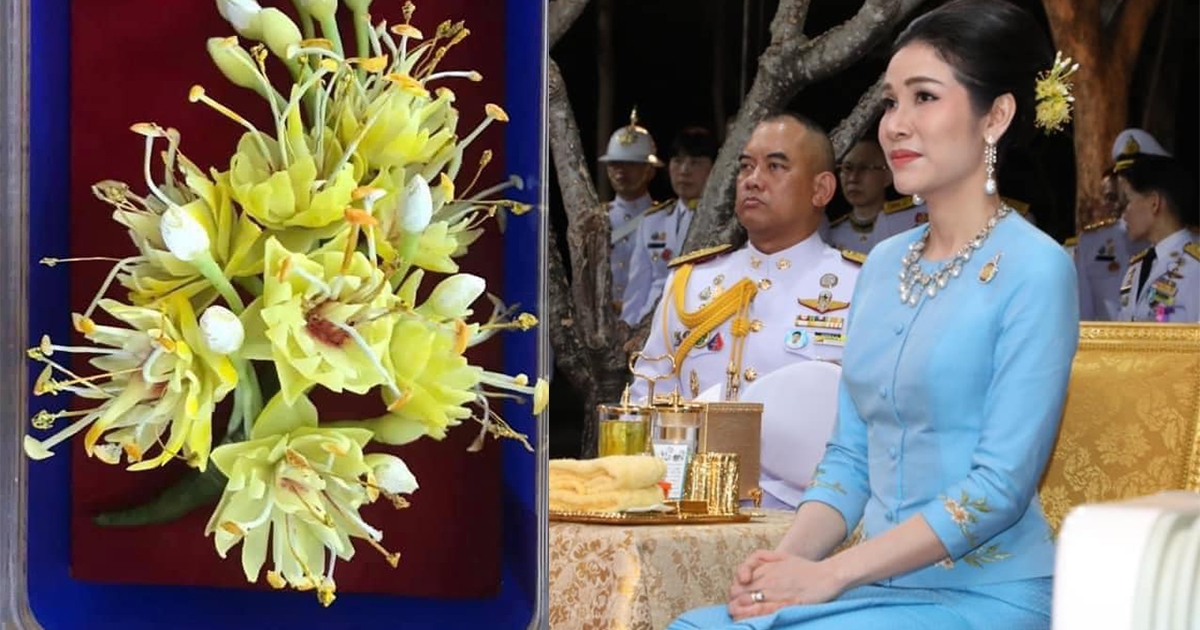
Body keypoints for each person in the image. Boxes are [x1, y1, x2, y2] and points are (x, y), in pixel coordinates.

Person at [668, 1, 1079, 628]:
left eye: (924, 97)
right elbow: (850, 457)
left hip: (988, 594)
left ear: (995, 116)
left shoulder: (1036, 268)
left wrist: (830, 575)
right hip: (878, 588)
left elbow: (998, 487)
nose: (895, 126)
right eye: (891, 102)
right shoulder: (884, 264)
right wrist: (784, 565)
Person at [627, 113, 863, 508]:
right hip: (691, 514)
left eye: (775, 166)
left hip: (810, 518)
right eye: (746, 166)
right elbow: (647, 398)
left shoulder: (860, 285)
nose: (753, 179)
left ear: (821, 189)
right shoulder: (691, 282)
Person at [620, 127, 717, 324]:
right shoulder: (652, 221)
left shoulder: (723, 221)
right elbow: (637, 289)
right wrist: (628, 329)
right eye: (678, 161)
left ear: (714, 169)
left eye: (695, 163)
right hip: (653, 322)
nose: (684, 171)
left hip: (704, 319)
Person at [1115, 155, 1199, 322]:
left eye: (1128, 201)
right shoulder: (1136, 268)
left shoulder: (1195, 268)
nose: (1123, 215)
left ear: (1154, 203)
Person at [598, 108, 663, 313]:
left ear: (650, 170)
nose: (621, 172)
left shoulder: (665, 218)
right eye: (615, 164)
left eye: (631, 165)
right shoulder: (597, 218)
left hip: (648, 318)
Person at [825, 138, 896, 254]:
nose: (853, 178)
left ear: (888, 176)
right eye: (847, 168)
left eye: (864, 168)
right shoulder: (830, 234)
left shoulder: (908, 223)